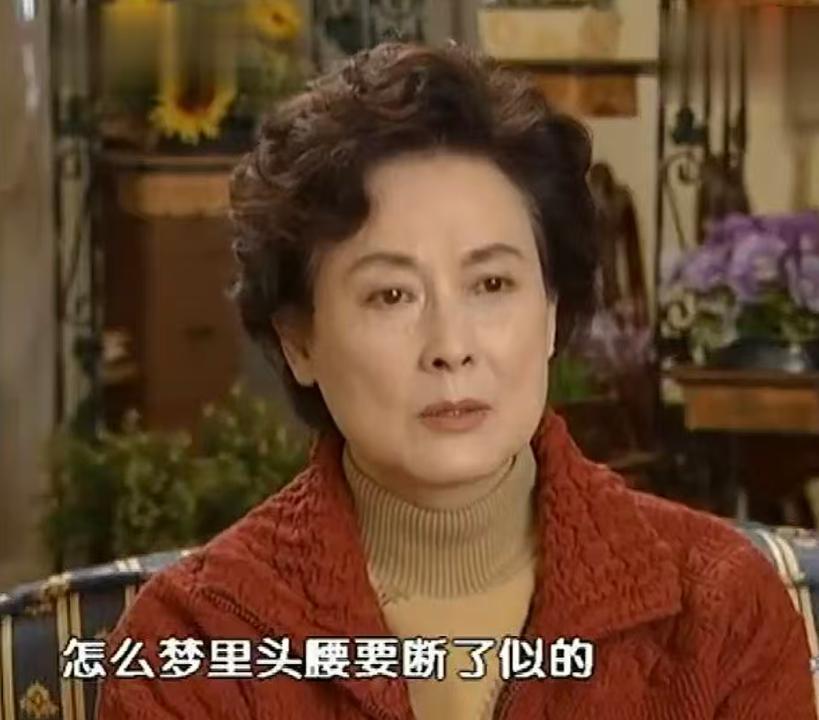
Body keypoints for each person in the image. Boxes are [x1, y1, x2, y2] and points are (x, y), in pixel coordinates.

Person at [96, 41, 815, 719]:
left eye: (492, 284)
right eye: (391, 295)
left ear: (551, 311)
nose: (451, 347)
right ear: (298, 340)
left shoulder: (720, 608)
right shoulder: (188, 647)